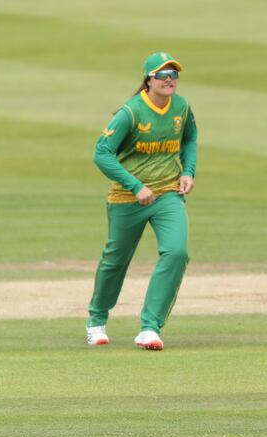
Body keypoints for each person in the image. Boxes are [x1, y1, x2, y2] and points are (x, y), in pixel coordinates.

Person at [85, 52, 198, 351]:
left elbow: (189, 139)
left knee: (176, 252)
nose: (169, 79)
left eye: (174, 74)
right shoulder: (131, 112)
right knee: (116, 260)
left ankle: (150, 328)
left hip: (168, 195)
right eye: (162, 74)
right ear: (148, 79)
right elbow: (102, 153)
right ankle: (96, 320)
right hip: (128, 198)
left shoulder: (182, 107)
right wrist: (136, 186)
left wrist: (188, 171)